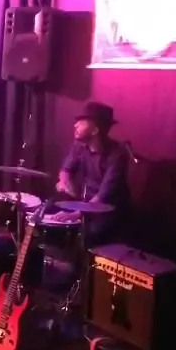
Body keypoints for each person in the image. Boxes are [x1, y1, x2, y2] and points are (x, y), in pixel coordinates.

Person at [53, 101, 131, 247]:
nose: (75, 125)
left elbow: (103, 196)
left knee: (86, 237)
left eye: (81, 122)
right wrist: (64, 182)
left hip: (108, 213)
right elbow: (65, 170)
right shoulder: (79, 146)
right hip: (86, 205)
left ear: (95, 130)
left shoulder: (117, 155)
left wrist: (76, 214)